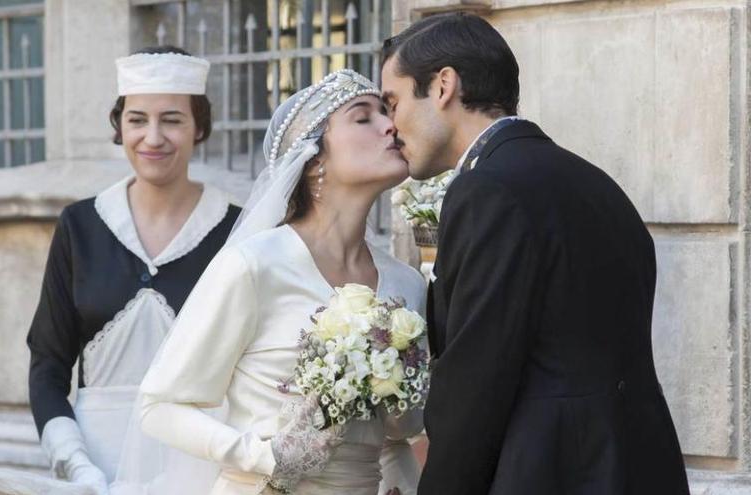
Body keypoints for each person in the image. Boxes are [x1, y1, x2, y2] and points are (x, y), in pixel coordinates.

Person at [380, 12, 690, 495]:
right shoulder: (596, 183)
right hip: (640, 468)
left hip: (549, 473)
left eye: (392, 102)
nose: (391, 126)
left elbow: (475, 389)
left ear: (443, 87)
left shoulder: (485, 190)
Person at [139, 69, 426, 494]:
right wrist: (262, 456)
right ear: (313, 164)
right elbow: (159, 406)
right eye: (363, 118)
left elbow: (402, 430)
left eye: (388, 113)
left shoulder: (408, 284)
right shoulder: (254, 266)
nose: (391, 126)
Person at [26, 45, 240, 494]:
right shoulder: (80, 225)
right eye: (138, 119)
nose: (153, 137)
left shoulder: (235, 230)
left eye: (172, 119)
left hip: (198, 468)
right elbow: (48, 362)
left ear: (200, 126)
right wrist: (75, 462)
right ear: (119, 126)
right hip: (94, 466)